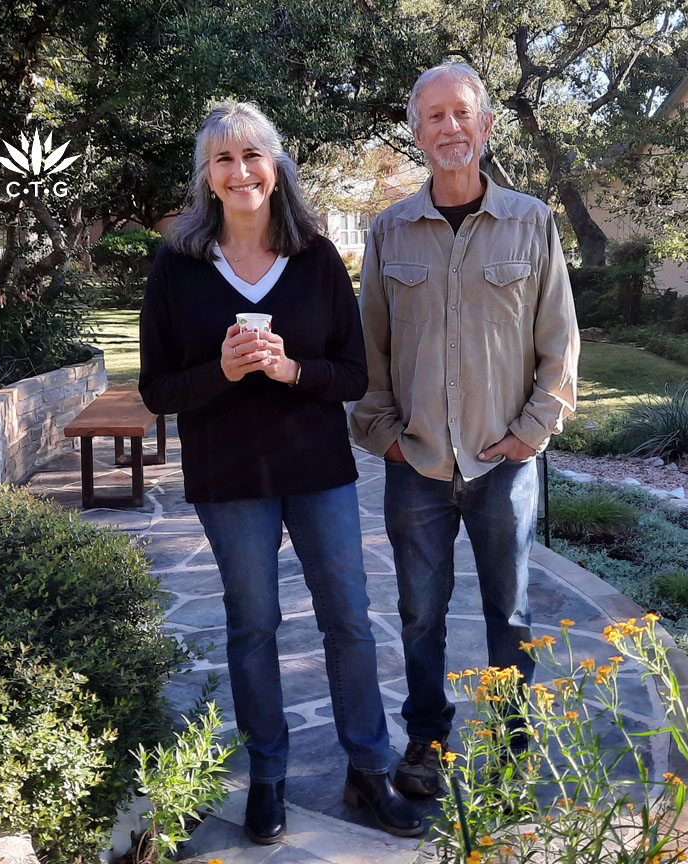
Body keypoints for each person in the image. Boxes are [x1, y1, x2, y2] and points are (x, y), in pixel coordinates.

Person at [139, 101, 421, 844]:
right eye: (223, 160)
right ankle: (269, 776)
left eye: (252, 155)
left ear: (276, 166)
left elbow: (355, 374)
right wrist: (220, 373)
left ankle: (368, 769)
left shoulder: (317, 258)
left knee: (349, 622)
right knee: (253, 626)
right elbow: (158, 390)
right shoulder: (178, 265)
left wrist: (294, 370)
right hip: (228, 475)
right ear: (207, 176)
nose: (240, 172)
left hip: (317, 469)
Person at [348, 63, 581, 798]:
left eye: (462, 114)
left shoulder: (531, 221)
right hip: (415, 463)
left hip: (502, 465)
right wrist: (384, 434)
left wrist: (530, 434)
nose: (450, 128)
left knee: (509, 610)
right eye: (434, 117)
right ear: (417, 133)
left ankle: (513, 743)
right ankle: (426, 740)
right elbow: (370, 349)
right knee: (419, 612)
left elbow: (560, 344)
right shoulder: (390, 231)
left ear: (484, 127)